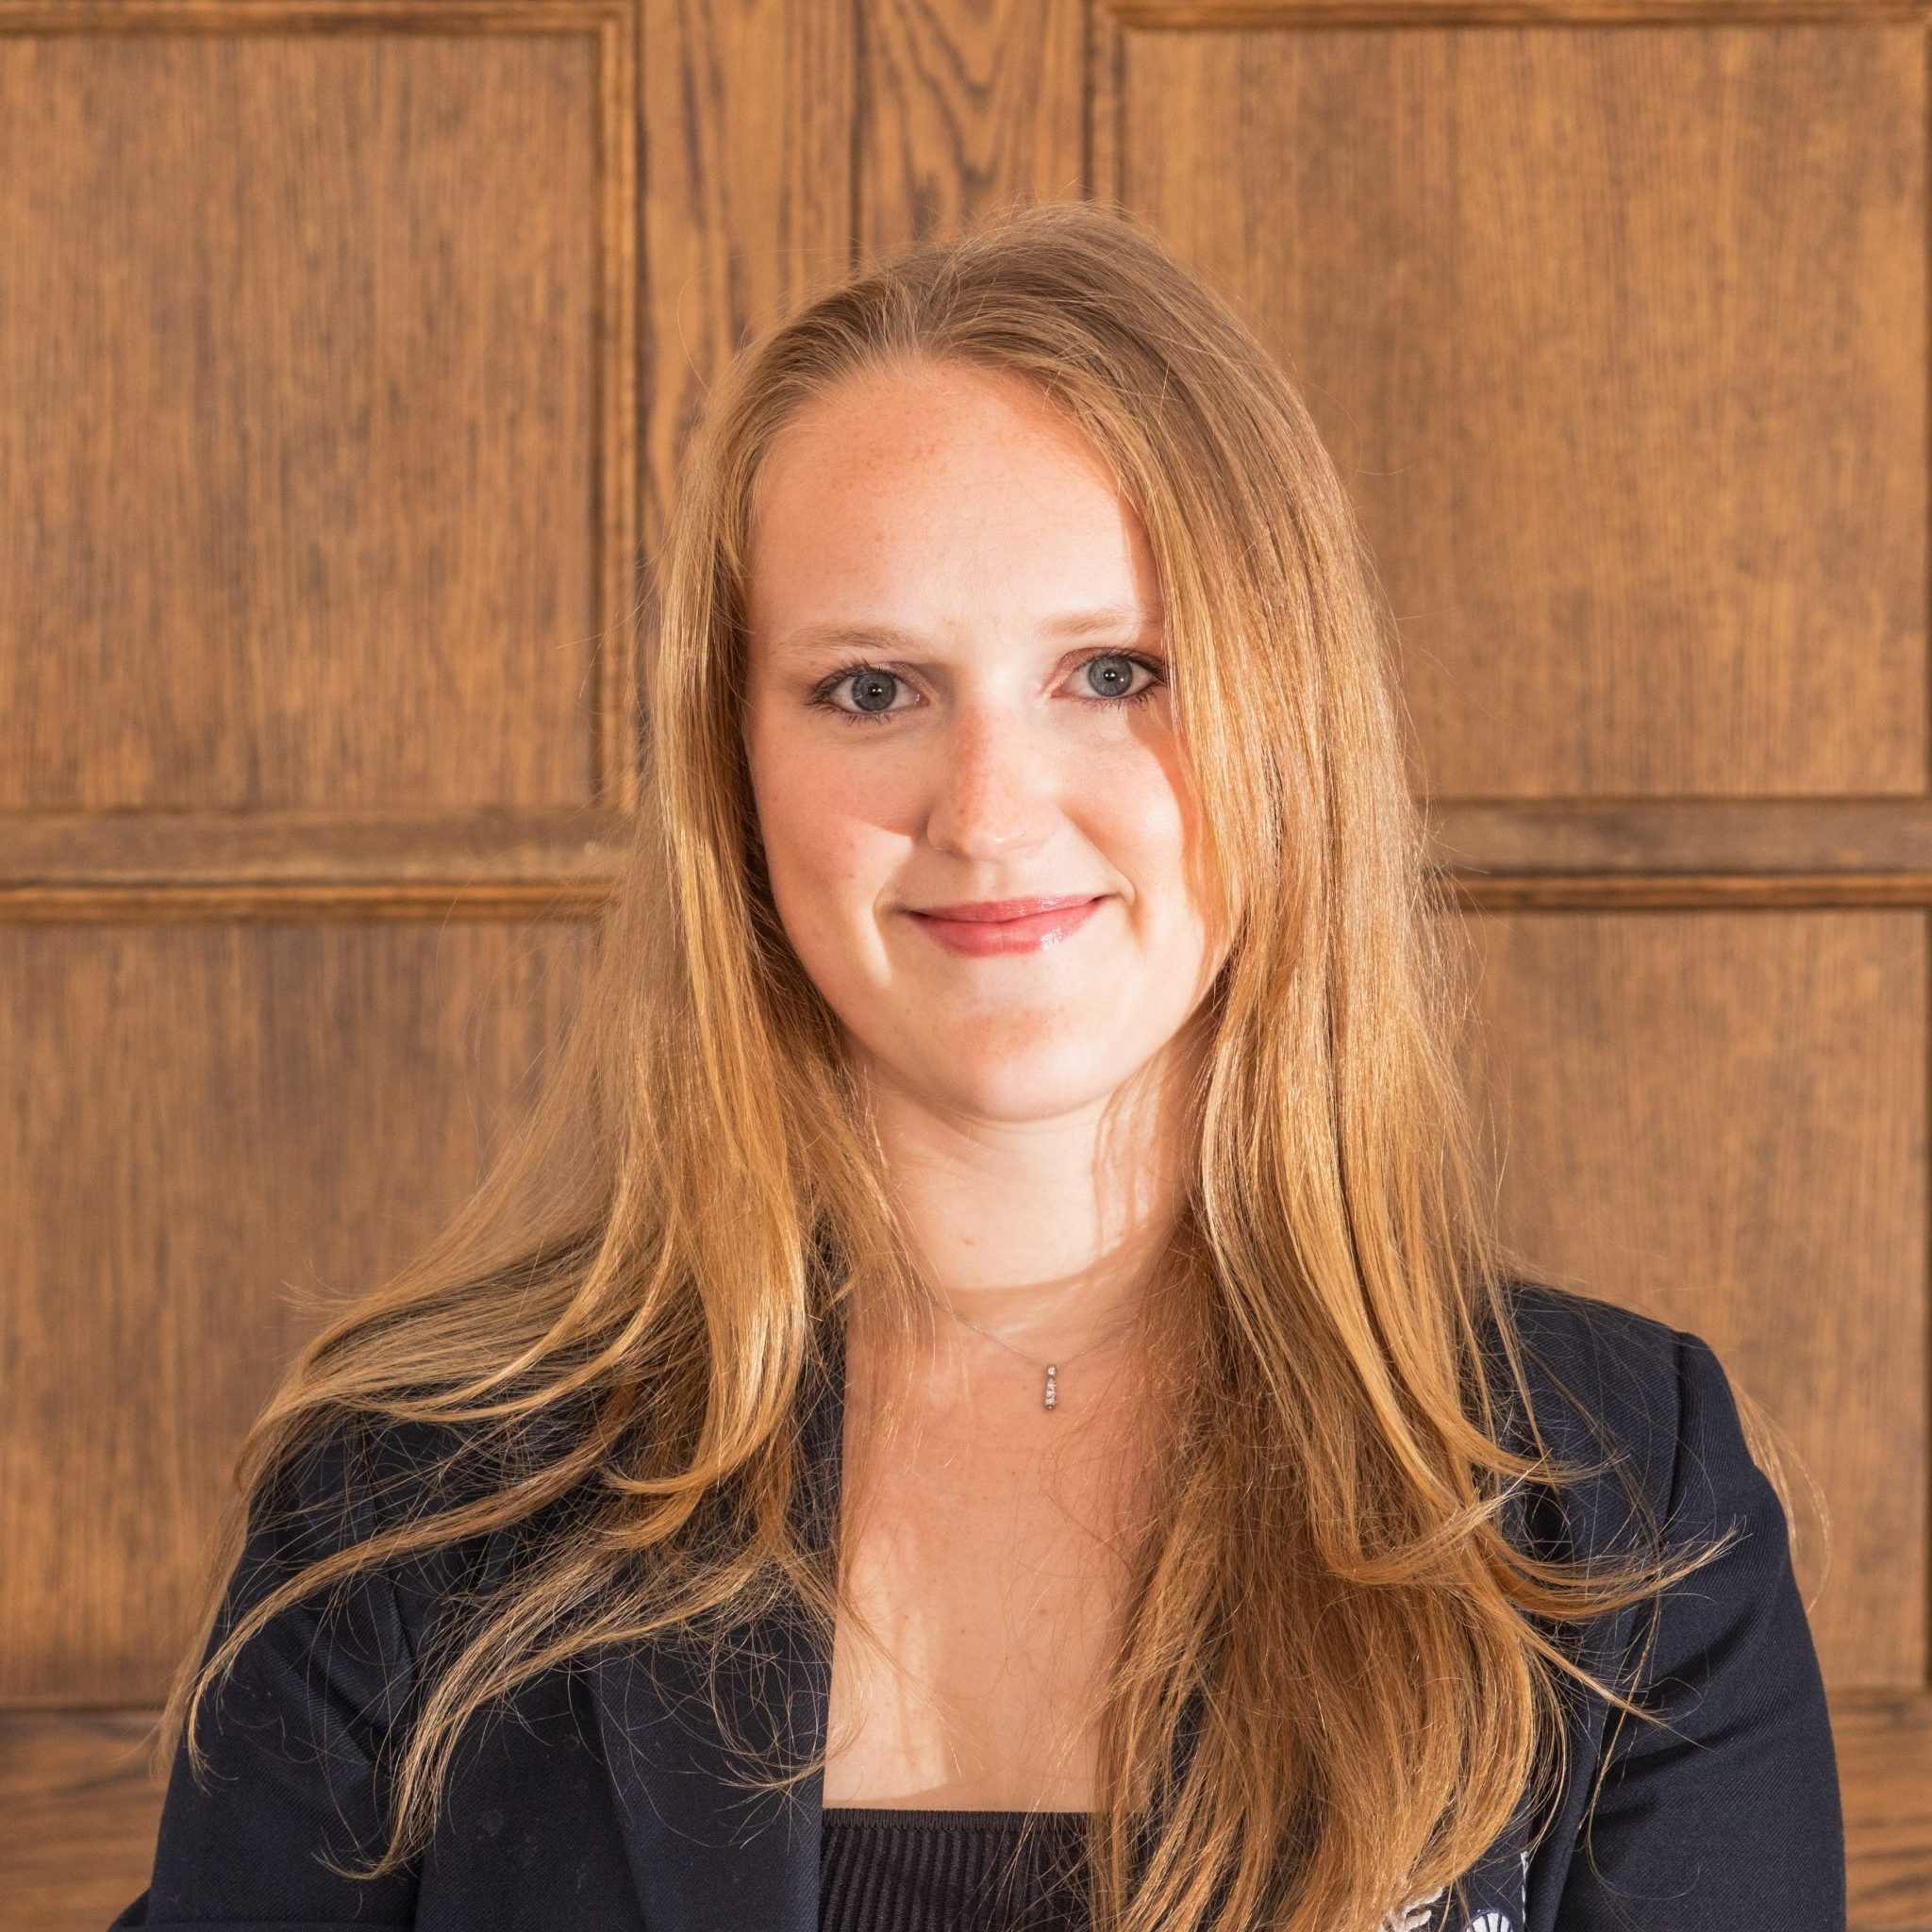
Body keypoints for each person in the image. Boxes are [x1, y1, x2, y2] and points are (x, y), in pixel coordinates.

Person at [111, 198, 1844, 1932]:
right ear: (736, 771)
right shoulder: (406, 1501)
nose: (992, 814)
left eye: (1113, 672)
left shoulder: (1616, 1499)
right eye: (871, 690)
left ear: (1288, 722)